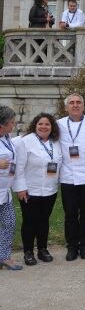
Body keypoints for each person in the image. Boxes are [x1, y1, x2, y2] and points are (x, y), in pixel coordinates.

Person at [57, 93, 85, 261]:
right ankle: (71, 247)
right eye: (72, 103)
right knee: (70, 214)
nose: (75, 105)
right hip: (67, 176)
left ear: (83, 106)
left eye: (78, 103)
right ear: (66, 107)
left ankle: (84, 246)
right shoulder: (58, 124)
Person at [13, 113, 63, 266]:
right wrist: (20, 188)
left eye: (47, 124)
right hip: (30, 190)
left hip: (49, 190)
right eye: (40, 124)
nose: (44, 127)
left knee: (43, 221)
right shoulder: (25, 142)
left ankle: (42, 249)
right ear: (35, 125)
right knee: (29, 221)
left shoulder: (55, 143)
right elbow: (19, 167)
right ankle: (28, 252)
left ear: (52, 127)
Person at [0, 106, 22, 270]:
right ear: (3, 125)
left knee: (10, 223)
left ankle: (4, 256)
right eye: (12, 123)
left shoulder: (7, 138)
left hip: (5, 192)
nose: (13, 126)